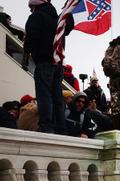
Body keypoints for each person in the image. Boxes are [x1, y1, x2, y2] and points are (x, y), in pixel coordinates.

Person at [23, 0, 73, 134]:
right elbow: (68, 28)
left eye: (31, 7)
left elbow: (31, 38)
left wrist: (28, 51)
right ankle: (60, 128)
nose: (30, 10)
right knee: (57, 96)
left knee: (44, 94)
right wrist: (68, 12)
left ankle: (46, 126)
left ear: (36, 6)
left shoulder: (36, 17)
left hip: (44, 62)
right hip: (58, 64)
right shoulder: (58, 19)